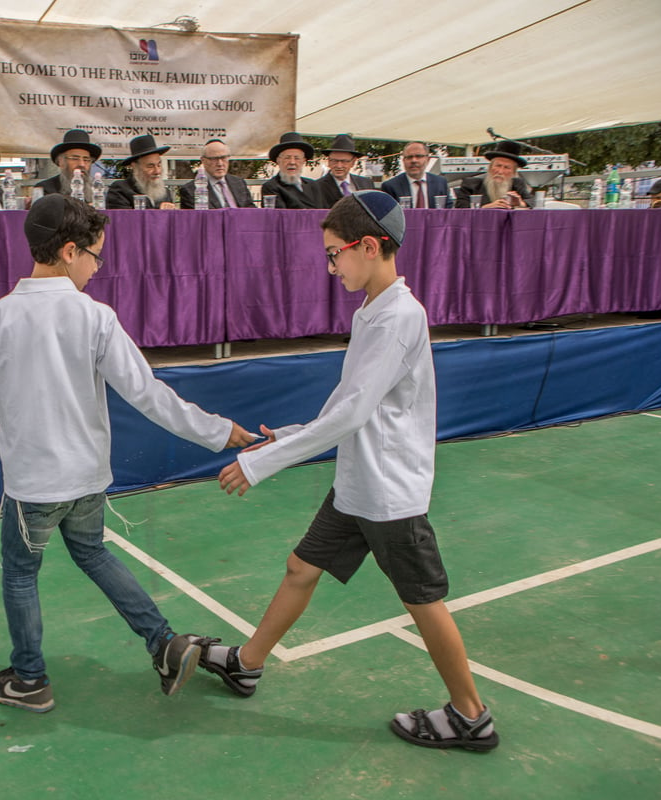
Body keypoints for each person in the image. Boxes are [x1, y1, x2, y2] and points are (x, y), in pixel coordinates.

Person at [0, 195, 255, 713]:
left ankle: (29, 678)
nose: (98, 269)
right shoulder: (96, 317)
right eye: (95, 257)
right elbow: (148, 394)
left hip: (33, 486)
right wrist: (216, 431)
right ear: (68, 251)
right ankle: (162, 642)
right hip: (87, 479)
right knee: (94, 553)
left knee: (20, 573)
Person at [201, 190, 500, 753]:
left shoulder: (395, 319)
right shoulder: (373, 311)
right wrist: (289, 436)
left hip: (388, 493)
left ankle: (471, 715)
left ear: (369, 246)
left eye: (335, 253)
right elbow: (349, 404)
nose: (331, 264)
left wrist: (262, 461)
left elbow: (355, 413)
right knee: (300, 568)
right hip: (358, 483)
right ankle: (247, 664)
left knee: (422, 600)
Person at [178, 139, 255, 209]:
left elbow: (251, 210)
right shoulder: (191, 190)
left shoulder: (239, 183)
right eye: (214, 159)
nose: (220, 163)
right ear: (203, 160)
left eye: (223, 158)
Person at [455, 141, 533, 209]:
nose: (500, 171)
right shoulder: (471, 184)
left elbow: (531, 202)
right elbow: (460, 209)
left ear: (513, 172)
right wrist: (485, 208)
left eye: (507, 167)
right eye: (498, 166)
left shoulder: (517, 184)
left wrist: (520, 203)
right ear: (490, 167)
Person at [33, 129, 103, 205]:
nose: (82, 164)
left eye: (86, 159)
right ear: (60, 162)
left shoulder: (96, 188)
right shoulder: (45, 189)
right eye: (75, 158)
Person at [106, 135, 177, 209]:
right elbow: (123, 219)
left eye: (159, 165)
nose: (157, 171)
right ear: (134, 167)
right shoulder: (120, 190)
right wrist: (158, 213)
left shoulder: (165, 194)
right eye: (150, 166)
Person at [309, 134, 375, 208]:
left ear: (353, 162)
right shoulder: (316, 187)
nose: (339, 166)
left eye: (344, 161)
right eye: (334, 161)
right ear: (328, 161)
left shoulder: (366, 183)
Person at [260, 132, 320, 209]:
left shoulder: (313, 185)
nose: (292, 162)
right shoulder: (271, 187)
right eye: (287, 158)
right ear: (278, 160)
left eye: (297, 158)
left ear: (303, 161)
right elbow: (279, 216)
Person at [380, 142, 451, 208]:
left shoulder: (441, 183)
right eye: (409, 157)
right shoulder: (391, 186)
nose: (414, 160)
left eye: (418, 156)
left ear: (428, 159)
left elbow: (449, 213)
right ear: (403, 160)